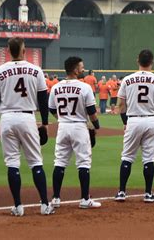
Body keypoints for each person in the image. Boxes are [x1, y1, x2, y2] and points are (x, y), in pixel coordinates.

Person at [0, 37, 54, 216]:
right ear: (24, 51)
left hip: (7, 118)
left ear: (9, 51)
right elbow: (42, 99)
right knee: (36, 162)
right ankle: (45, 205)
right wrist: (46, 123)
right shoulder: (36, 70)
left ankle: (18, 207)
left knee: (12, 164)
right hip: (27, 118)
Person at [114, 49, 154, 203]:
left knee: (127, 156)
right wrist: (153, 106)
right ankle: (148, 193)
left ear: (137, 61)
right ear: (152, 62)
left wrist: (125, 122)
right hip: (151, 120)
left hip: (133, 120)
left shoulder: (127, 79)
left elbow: (120, 105)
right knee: (149, 158)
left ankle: (121, 192)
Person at [49, 56, 102, 209]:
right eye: (81, 67)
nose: (83, 69)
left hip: (63, 127)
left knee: (59, 162)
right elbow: (92, 112)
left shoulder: (56, 87)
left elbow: (52, 109)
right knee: (83, 163)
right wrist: (96, 126)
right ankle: (85, 199)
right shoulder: (84, 87)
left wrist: (63, 117)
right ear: (74, 69)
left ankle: (56, 198)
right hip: (79, 127)